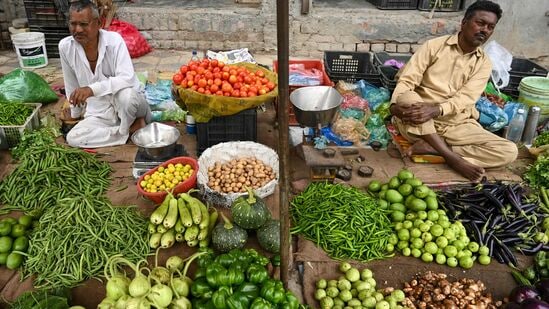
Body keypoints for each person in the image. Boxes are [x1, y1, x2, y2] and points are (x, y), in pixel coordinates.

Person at [390, 0, 517, 182]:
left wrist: (437, 109)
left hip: (456, 124)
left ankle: (437, 149)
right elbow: (407, 80)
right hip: (419, 121)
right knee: (408, 97)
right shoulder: (433, 47)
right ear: (464, 23)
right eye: (480, 23)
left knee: (509, 151)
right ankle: (452, 157)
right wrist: (395, 107)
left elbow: (465, 98)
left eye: (490, 27)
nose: (484, 30)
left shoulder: (484, 63)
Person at [59, 0, 151, 148]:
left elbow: (127, 78)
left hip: (131, 108)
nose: (77, 30)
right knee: (73, 138)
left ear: (99, 23)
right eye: (73, 24)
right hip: (99, 112)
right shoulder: (65, 47)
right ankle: (130, 131)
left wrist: (91, 89)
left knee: (127, 96)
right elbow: (71, 85)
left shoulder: (114, 41)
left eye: (83, 24)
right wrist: (75, 113)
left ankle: (125, 127)